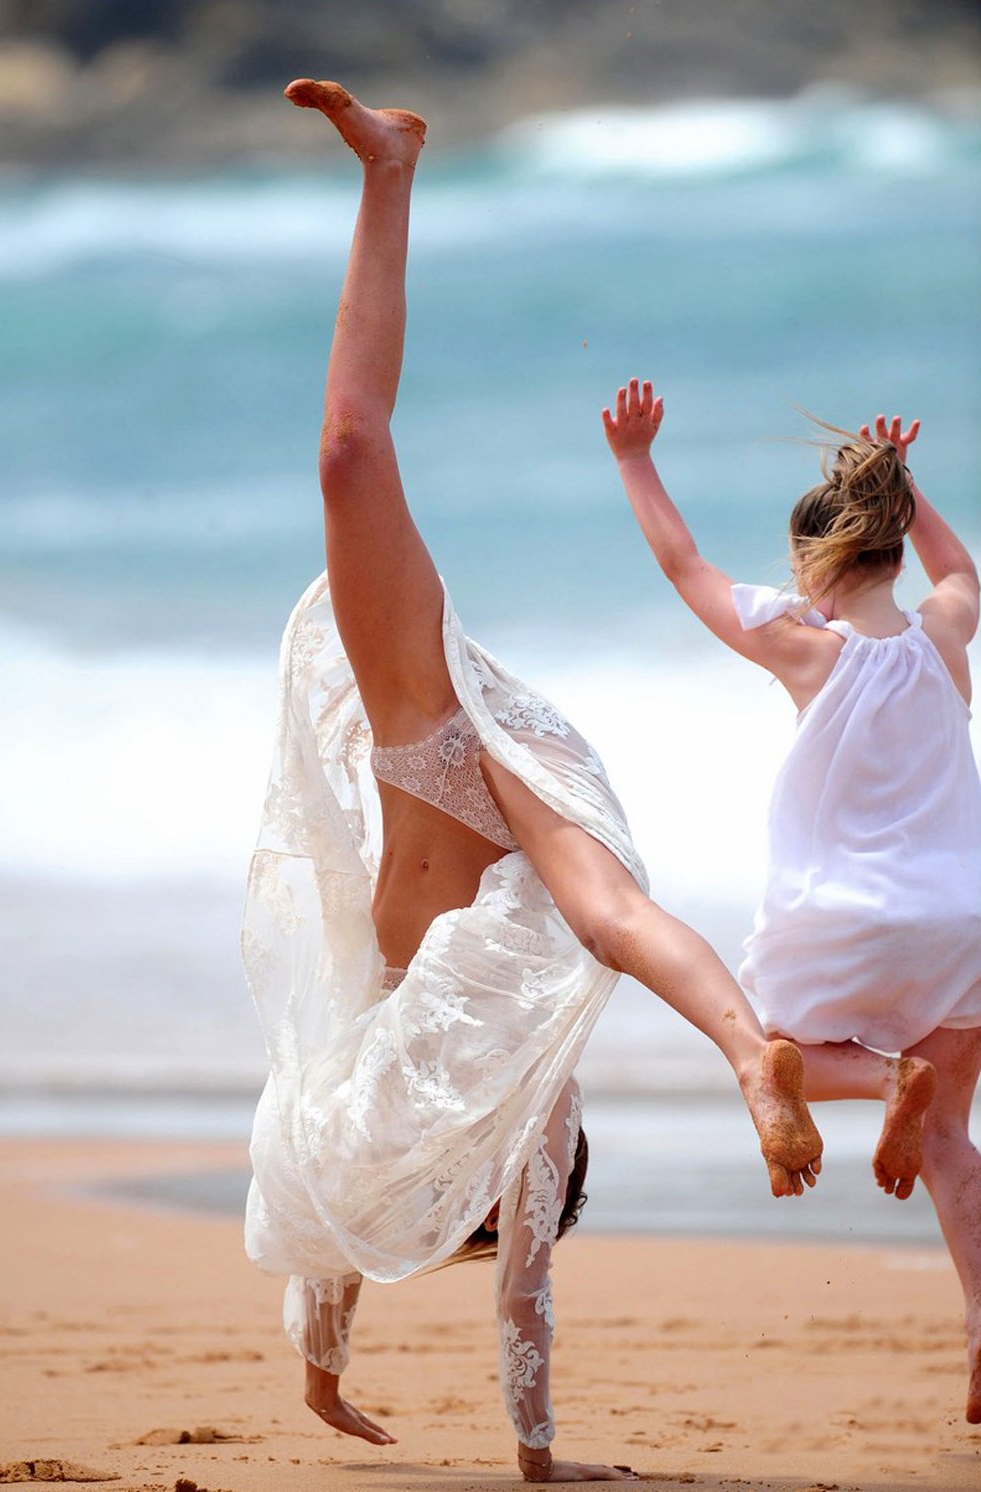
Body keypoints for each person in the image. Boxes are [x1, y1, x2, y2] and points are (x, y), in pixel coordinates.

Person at [242, 83, 824, 1484]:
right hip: (486, 780)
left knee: (347, 453)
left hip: (426, 745)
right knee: (604, 919)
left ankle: (388, 170)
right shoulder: (529, 1093)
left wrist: (322, 1372)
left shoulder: (376, 1076)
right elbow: (525, 1293)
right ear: (525, 1193)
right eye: (486, 1213)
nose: (464, 1215)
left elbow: (329, 1196)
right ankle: (749, 1057)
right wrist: (541, 1462)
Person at [603, 382, 981, 1423]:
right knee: (950, 1141)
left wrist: (635, 461)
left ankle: (880, 1079)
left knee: (771, 1051)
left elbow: (684, 566)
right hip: (960, 924)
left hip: (837, 919)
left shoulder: (805, 648)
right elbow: (961, 571)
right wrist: (907, 484)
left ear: (816, 567)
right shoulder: (945, 633)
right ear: (894, 551)